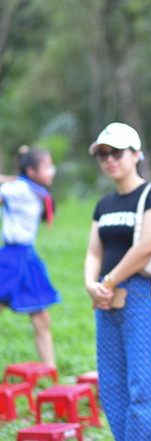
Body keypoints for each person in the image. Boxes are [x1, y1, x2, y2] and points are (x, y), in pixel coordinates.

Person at [83, 122, 151, 441]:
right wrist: (91, 284)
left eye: (116, 152)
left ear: (136, 154)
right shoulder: (103, 204)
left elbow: (148, 245)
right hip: (106, 302)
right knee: (113, 386)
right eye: (103, 154)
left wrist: (107, 281)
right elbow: (94, 250)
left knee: (145, 385)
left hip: (141, 299)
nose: (109, 159)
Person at [0, 147, 60, 367]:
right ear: (32, 171)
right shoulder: (17, 188)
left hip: (28, 257)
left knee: (42, 318)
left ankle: (51, 374)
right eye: (47, 167)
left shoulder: (34, 189)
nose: (52, 171)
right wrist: (12, 179)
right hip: (10, 257)